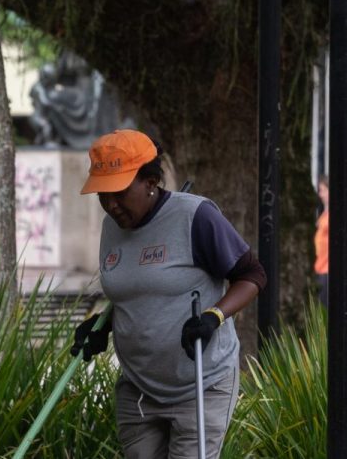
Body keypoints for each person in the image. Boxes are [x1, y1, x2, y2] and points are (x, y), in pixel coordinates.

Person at [68, 129, 265, 459]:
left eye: (118, 191)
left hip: (200, 384)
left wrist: (213, 316)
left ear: (151, 181)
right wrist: (101, 327)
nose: (111, 204)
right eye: (103, 194)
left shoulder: (195, 217)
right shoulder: (112, 227)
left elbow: (252, 275)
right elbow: (136, 295)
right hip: (140, 388)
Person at [313, 175, 330, 308]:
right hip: (319, 265)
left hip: (327, 267)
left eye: (323, 190)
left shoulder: (331, 215)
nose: (321, 194)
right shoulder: (324, 215)